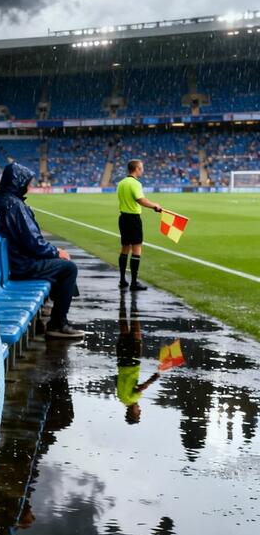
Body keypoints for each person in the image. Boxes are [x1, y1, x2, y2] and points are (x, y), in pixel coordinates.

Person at [0, 163, 83, 339]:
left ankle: (53, 314)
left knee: (61, 264)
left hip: (10, 262)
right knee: (68, 268)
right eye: (27, 182)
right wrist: (56, 252)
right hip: (20, 265)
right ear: (19, 182)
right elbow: (33, 243)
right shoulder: (14, 205)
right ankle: (58, 324)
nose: (29, 186)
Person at [117, 159, 162, 291]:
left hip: (123, 218)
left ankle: (122, 280)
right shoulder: (135, 183)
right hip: (133, 219)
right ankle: (134, 282)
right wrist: (155, 205)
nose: (142, 170)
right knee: (136, 249)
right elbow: (140, 200)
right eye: (141, 168)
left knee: (125, 248)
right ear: (136, 169)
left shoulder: (121, 183)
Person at [116, 293, 160, 423]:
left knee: (136, 329)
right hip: (121, 361)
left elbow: (141, 387)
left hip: (133, 361)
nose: (140, 410)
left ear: (132, 413)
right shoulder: (121, 398)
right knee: (124, 329)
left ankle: (134, 301)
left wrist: (153, 378)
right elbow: (116, 380)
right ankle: (123, 299)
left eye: (138, 413)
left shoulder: (133, 399)